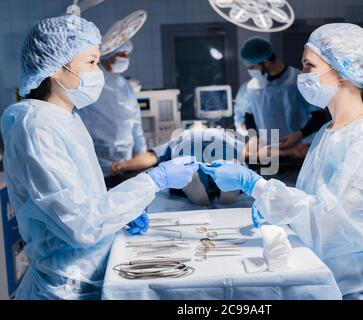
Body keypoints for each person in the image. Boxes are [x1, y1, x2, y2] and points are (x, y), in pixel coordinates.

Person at [200, 23, 363, 300]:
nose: (302, 75)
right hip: (326, 277)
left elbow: (333, 225)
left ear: (342, 70)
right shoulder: (329, 132)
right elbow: (312, 198)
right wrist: (276, 209)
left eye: (309, 66)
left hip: (357, 287)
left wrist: (256, 186)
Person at [1, 15, 198, 300]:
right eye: (91, 62)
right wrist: (154, 179)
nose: (98, 73)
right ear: (56, 68)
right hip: (65, 285)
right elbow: (81, 225)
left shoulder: (66, 117)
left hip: (85, 274)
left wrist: (120, 214)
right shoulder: (36, 126)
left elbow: (84, 202)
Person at [78, 37, 152, 189]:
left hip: (128, 164)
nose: (126, 58)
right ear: (108, 54)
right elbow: (81, 124)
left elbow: (135, 123)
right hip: (100, 164)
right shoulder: (91, 83)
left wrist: (142, 158)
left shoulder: (124, 85)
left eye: (127, 54)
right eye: (122, 54)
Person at [112, 123, 246, 206]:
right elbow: (249, 153)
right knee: (231, 163)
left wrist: (123, 165)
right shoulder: (224, 135)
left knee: (183, 167)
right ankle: (232, 179)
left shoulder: (180, 137)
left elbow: (151, 157)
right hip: (224, 152)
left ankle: (190, 176)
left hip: (190, 155)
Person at [239, 37, 329, 157]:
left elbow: (319, 115)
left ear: (265, 62)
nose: (250, 72)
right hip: (269, 153)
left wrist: (300, 134)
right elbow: (249, 115)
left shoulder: (298, 81)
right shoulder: (253, 86)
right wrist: (253, 137)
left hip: (299, 150)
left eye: (252, 68)